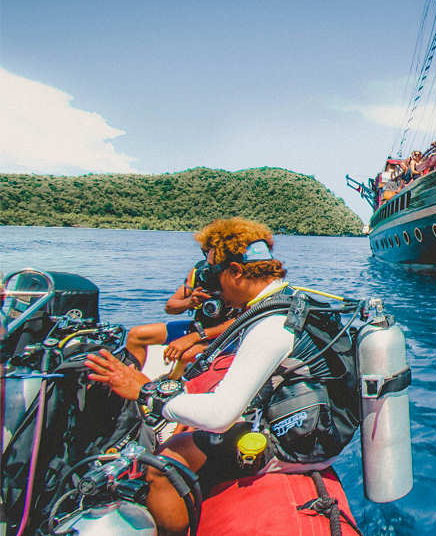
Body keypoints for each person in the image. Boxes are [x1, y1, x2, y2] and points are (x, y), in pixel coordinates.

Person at [83, 218, 321, 534]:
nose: (212, 286)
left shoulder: (271, 324)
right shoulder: (288, 300)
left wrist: (145, 391)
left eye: (214, 274)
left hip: (294, 443)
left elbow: (220, 415)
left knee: (166, 464)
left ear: (236, 271)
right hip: (304, 419)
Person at [125, 266, 237, 371]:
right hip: (200, 327)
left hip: (230, 336)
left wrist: (194, 337)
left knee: (188, 355)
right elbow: (169, 307)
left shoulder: (238, 273)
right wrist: (190, 302)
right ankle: (131, 381)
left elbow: (243, 317)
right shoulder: (200, 271)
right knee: (136, 335)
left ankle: (173, 384)